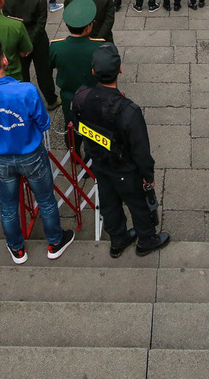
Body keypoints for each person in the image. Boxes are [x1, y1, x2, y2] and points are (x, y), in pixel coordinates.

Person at [0, 38, 75, 263]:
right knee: (45, 200)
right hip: (32, 154)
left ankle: (17, 248)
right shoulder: (25, 90)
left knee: (8, 205)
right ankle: (55, 241)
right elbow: (43, 122)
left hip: (2, 158)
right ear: (4, 60)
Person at [71, 42, 170, 257]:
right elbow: (140, 149)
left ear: (93, 72)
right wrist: (148, 175)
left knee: (109, 203)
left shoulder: (81, 98)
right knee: (138, 204)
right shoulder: (128, 111)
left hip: (99, 163)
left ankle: (118, 240)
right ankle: (146, 240)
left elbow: (80, 128)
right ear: (120, 70)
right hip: (125, 169)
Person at [3, 0, 61, 109]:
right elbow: (41, 23)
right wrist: (31, 43)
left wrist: (23, 44)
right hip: (38, 38)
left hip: (18, 38)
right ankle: (51, 99)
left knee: (22, 73)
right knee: (44, 71)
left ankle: (25, 102)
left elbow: (7, 20)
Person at [50, 0, 104, 134]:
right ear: (88, 27)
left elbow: (50, 66)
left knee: (70, 129)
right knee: (93, 129)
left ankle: (73, 151)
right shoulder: (99, 47)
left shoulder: (56, 47)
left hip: (69, 96)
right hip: (93, 95)